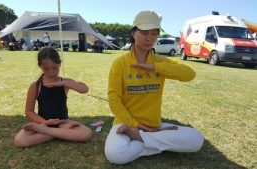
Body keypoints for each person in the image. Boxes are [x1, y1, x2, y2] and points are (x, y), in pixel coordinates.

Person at [104, 11, 204, 164]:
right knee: (115, 155)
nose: (149, 38)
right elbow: (114, 99)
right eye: (144, 32)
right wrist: (135, 125)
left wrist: (154, 67)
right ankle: (155, 140)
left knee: (196, 139)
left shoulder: (160, 62)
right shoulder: (120, 63)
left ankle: (140, 139)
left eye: (154, 33)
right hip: (125, 124)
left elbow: (189, 74)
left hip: (153, 125)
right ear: (134, 33)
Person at [14, 47, 92, 148]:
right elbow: (29, 111)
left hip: (62, 122)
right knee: (20, 141)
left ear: (60, 64)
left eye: (55, 68)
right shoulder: (36, 86)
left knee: (86, 134)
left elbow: (84, 89)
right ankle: (63, 133)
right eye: (47, 69)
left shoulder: (65, 82)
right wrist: (45, 122)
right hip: (42, 122)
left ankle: (50, 132)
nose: (51, 72)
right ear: (40, 66)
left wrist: (63, 82)